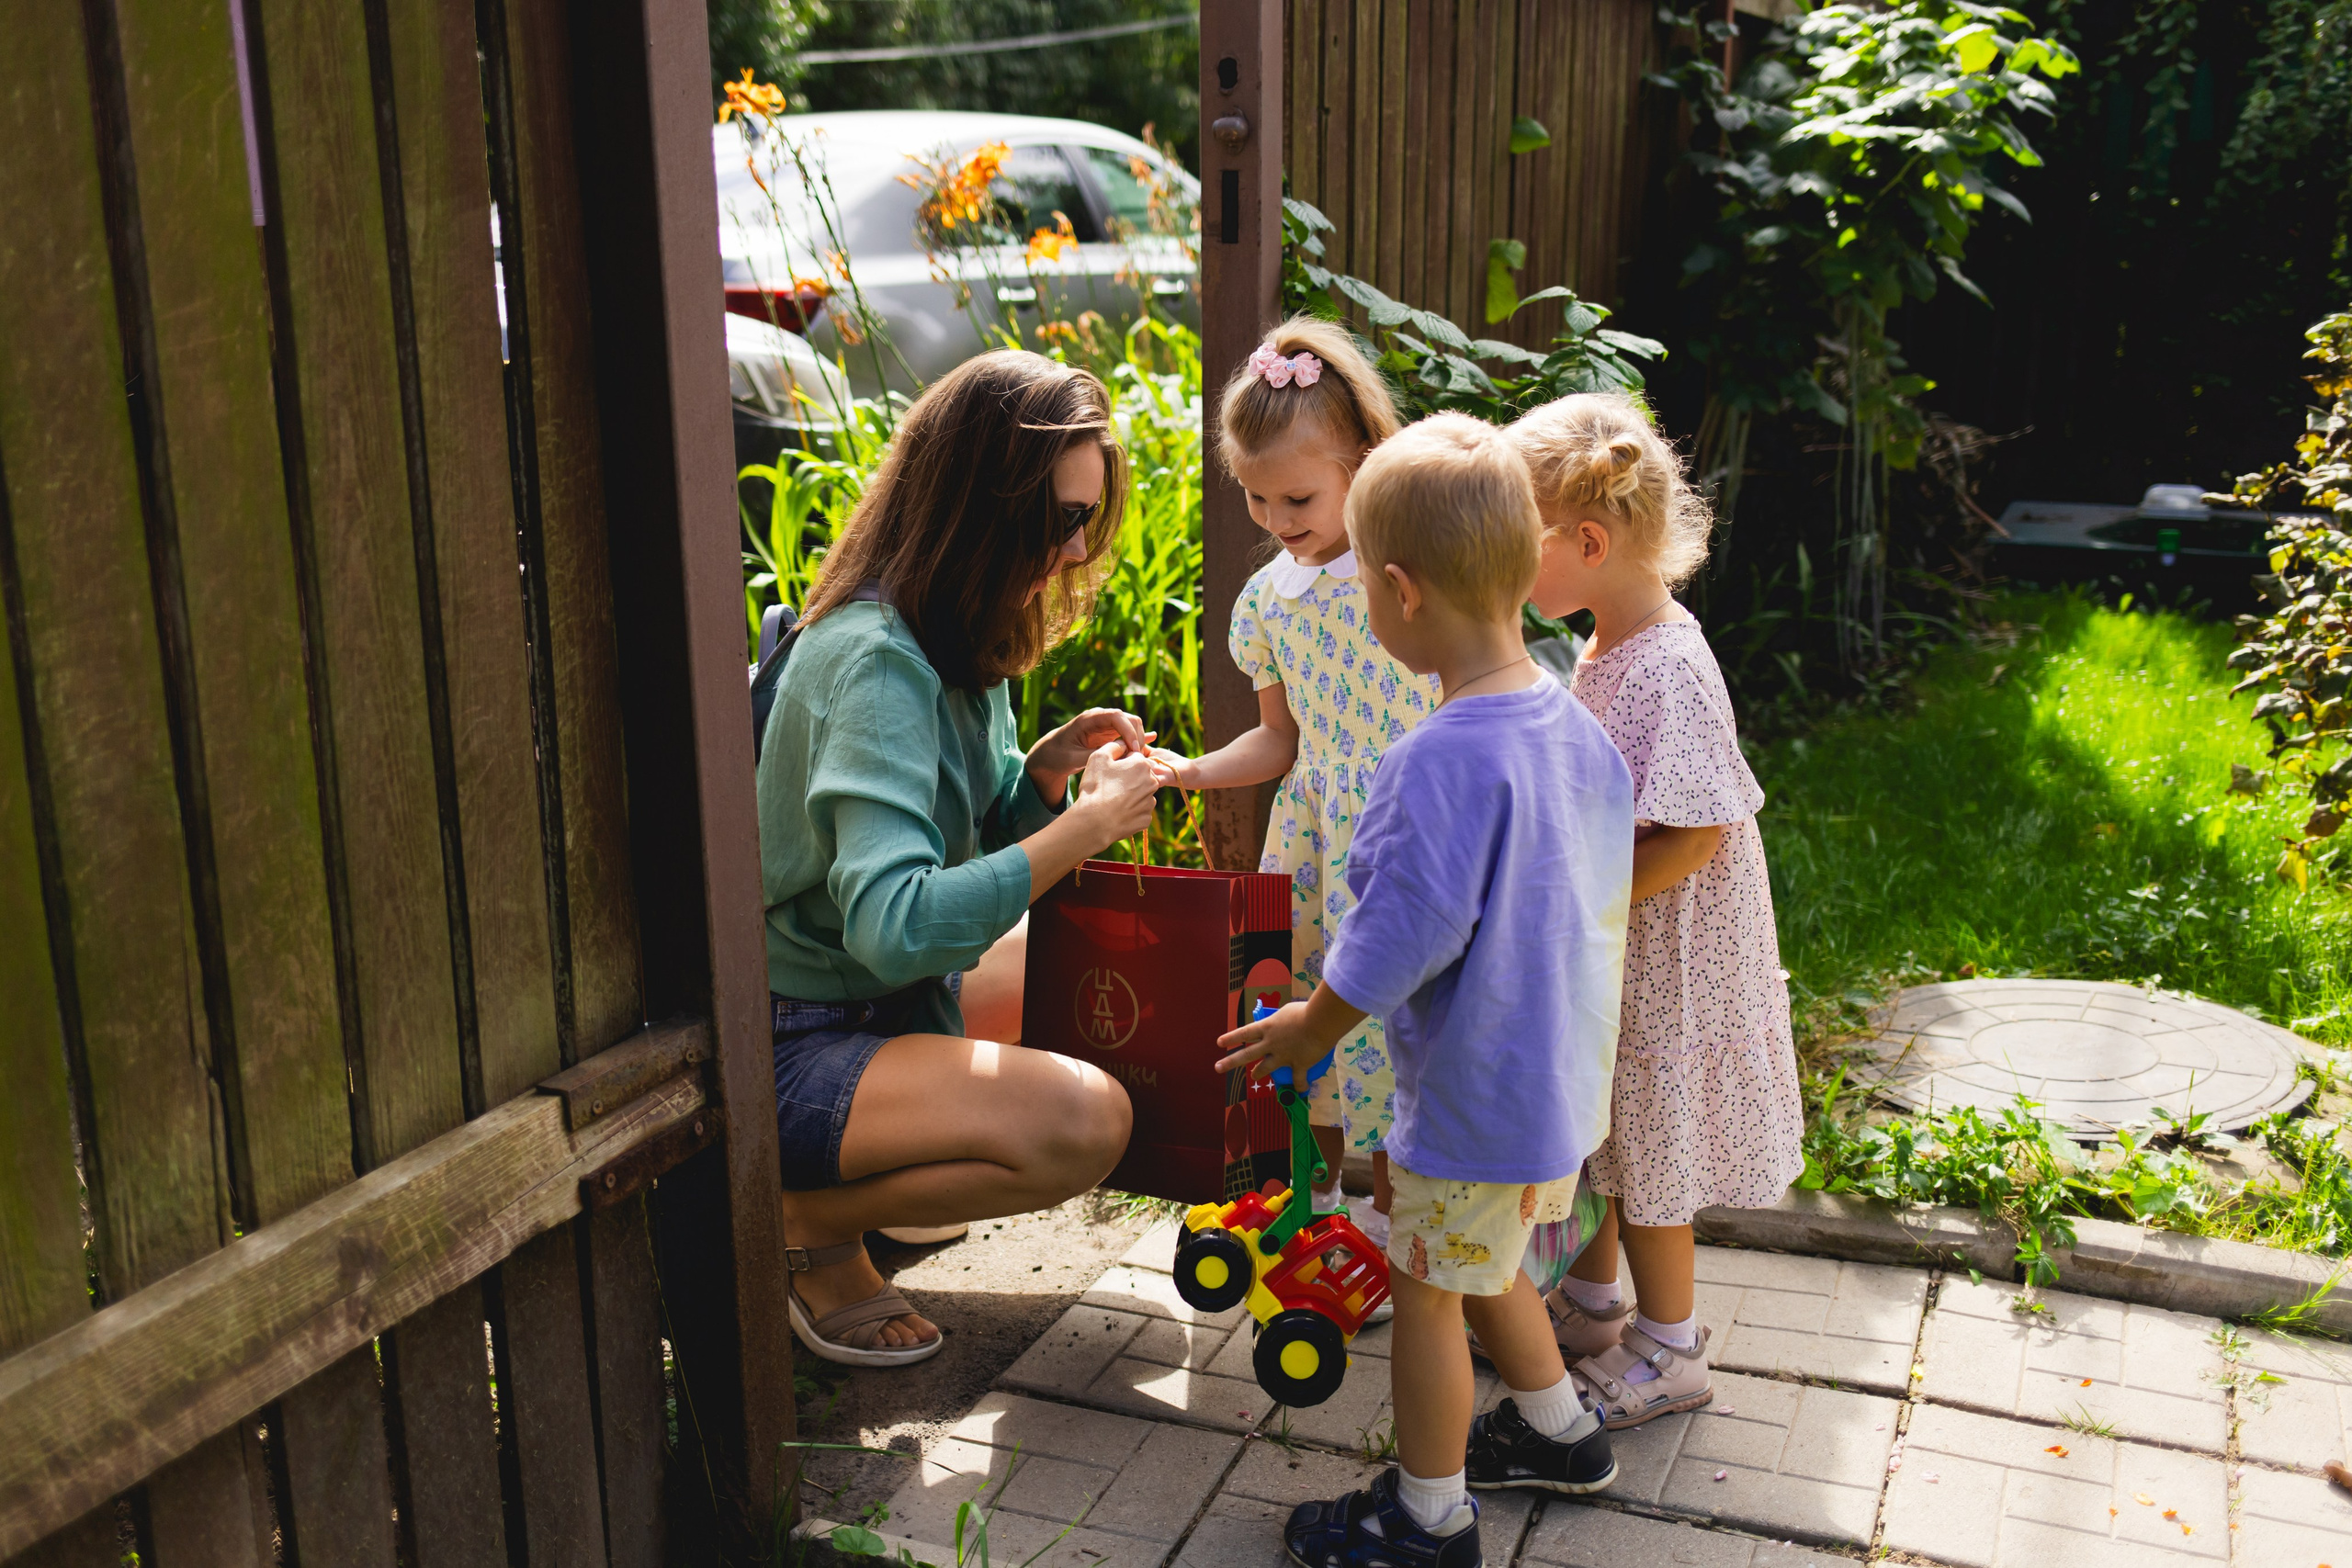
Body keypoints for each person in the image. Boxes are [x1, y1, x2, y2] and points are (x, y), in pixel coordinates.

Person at [1216, 415, 1633, 1565]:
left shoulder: (1437, 756)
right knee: (1476, 1256)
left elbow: (1396, 934)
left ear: (1396, 593)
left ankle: (1427, 1515)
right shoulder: (1568, 721)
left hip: (1473, 1099)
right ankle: (1561, 1434)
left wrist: (1311, 1024)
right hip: (1554, 1084)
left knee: (1429, 1292)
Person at [759, 351, 1174, 1367]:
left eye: (1087, 519)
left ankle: (865, 1198)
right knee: (1085, 1124)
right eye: (1058, 520)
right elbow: (897, 925)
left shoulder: (953, 633)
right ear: (975, 504)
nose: (1076, 551)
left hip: (880, 1003)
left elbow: (965, 844)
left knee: (1098, 975)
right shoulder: (873, 664)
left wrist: (1039, 777)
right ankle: (801, 1222)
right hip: (794, 1039)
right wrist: (1081, 828)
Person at [1507, 391, 1804, 1426]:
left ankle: (1670, 1348)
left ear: (1587, 542)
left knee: (1650, 1145)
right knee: (1608, 1134)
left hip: (1670, 956)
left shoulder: (1667, 665)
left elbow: (1696, 834)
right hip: (1628, 944)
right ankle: (1591, 1304)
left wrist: (1578, 901)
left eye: (1517, 542)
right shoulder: (1605, 644)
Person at [1155, 318, 1440, 1247]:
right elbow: (1279, 739)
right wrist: (1194, 772)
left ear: (1363, 458)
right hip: (1314, 833)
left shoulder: (1409, 580)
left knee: (1399, 1014)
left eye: (1297, 496)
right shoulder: (1267, 601)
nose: (1276, 520)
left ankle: (1406, 1223)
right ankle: (1319, 1203)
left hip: (1404, 830)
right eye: (1254, 499)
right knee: (1300, 1008)